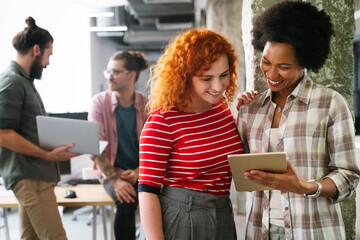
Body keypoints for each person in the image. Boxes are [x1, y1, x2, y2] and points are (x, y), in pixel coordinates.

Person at [236, 2, 360, 239]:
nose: (271, 75)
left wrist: (306, 186)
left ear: (305, 63)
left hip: (313, 231)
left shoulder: (330, 104)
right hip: (260, 230)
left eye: (283, 67)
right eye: (266, 62)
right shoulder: (250, 109)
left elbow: (348, 177)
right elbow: (236, 167)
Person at [138, 28, 243, 240]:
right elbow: (147, 192)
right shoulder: (163, 121)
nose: (218, 86)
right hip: (182, 217)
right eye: (207, 78)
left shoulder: (221, 109)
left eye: (224, 75)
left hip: (223, 211)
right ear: (185, 76)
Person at [0, 17, 79, 240]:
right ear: (36, 50)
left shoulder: (23, 82)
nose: (48, 62)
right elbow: (3, 135)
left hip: (35, 175)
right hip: (30, 177)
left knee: (31, 238)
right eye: (49, 54)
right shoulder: (12, 82)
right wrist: (47, 154)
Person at [88, 51, 149, 240]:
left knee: (161, 198)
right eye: (108, 72)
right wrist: (116, 181)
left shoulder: (146, 104)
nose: (109, 77)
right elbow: (95, 147)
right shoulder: (99, 102)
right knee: (127, 201)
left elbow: (156, 147)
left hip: (143, 169)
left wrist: (139, 171)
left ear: (131, 75)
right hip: (113, 171)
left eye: (114, 72)